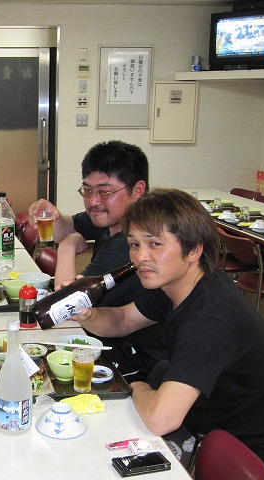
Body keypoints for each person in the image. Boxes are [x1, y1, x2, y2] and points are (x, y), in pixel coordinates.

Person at [75, 188, 264, 472]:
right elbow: (122, 320)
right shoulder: (179, 283)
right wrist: (87, 314)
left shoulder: (211, 319)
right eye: (134, 244)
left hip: (243, 454)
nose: (140, 257)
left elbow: (161, 419)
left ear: (194, 250)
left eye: (155, 244)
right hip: (203, 417)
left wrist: (134, 385)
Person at [28, 140, 167, 380]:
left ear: (137, 190)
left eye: (104, 191)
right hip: (109, 331)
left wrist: (67, 247)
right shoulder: (114, 219)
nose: (93, 201)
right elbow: (68, 226)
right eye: (87, 190)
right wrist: (51, 215)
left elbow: (65, 303)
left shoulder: (130, 246)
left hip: (137, 358)